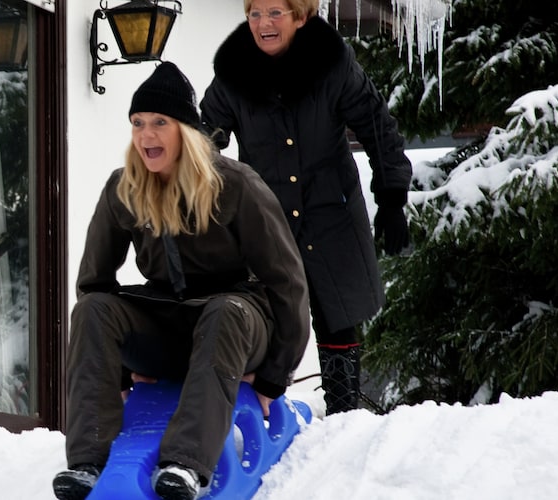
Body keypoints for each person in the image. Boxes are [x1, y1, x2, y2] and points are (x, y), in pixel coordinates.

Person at [51, 61, 310, 500]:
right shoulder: (124, 188)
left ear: (184, 131)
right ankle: (87, 463)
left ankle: (185, 464)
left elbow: (287, 282)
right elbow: (94, 283)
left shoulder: (235, 185)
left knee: (225, 311)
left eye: (158, 123)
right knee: (93, 309)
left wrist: (272, 378)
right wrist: (119, 366)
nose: (145, 135)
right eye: (137, 124)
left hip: (237, 321)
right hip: (168, 323)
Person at [200, 0, 413, 416]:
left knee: (335, 312)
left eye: (275, 13)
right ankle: (258, 413)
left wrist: (391, 196)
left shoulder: (332, 65)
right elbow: (204, 138)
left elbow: (375, 124)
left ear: (301, 16)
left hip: (329, 209)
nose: (263, 24)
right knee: (264, 314)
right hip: (267, 215)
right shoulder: (233, 74)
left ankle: (342, 415)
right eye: (255, 14)